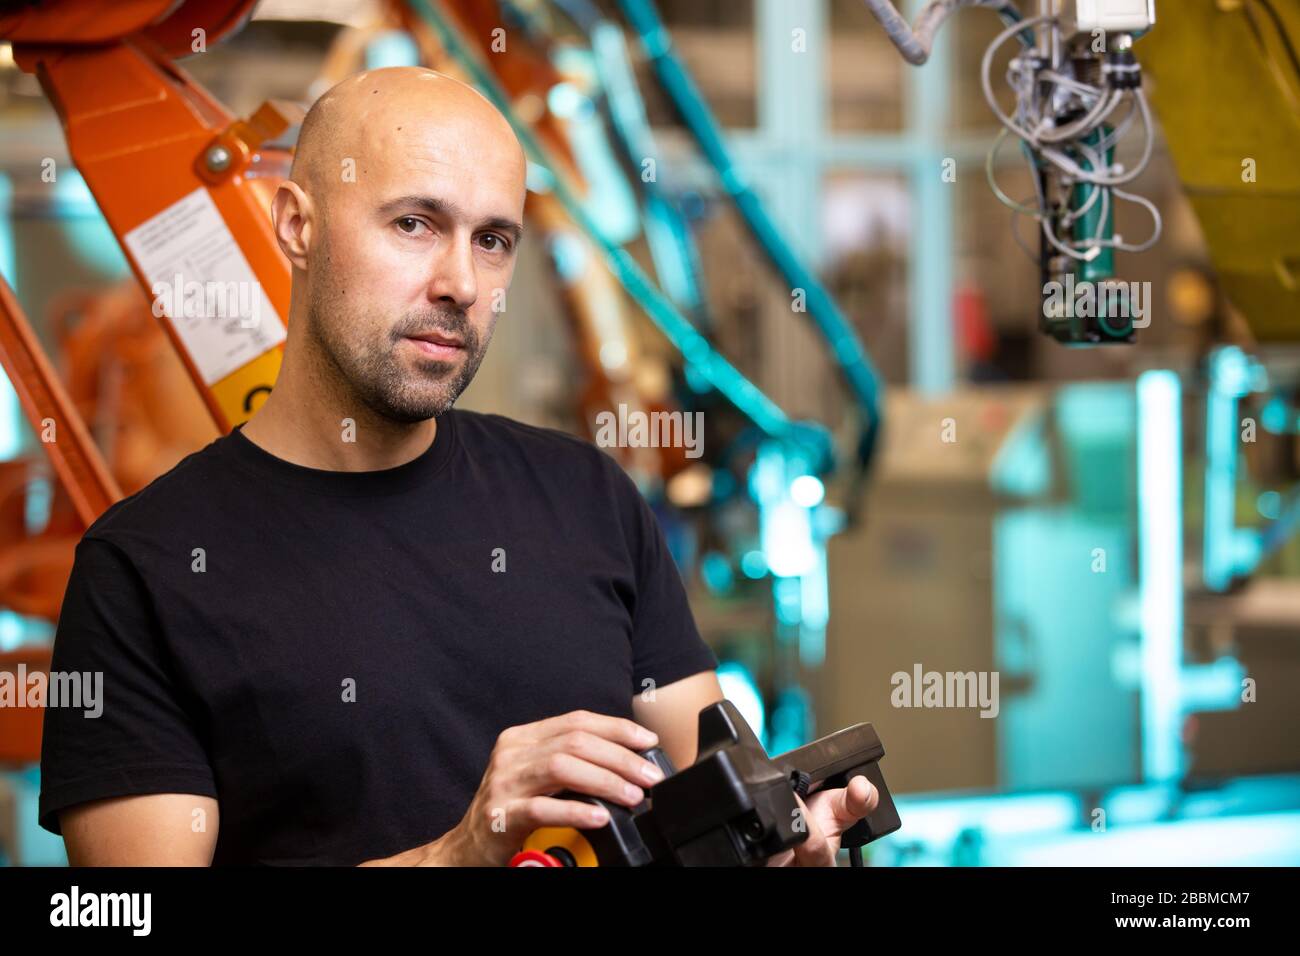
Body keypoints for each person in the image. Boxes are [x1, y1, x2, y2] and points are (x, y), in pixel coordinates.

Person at [38, 67, 876, 866]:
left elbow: (718, 799)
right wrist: (462, 851)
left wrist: (784, 842)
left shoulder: (587, 500)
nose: (462, 284)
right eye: (414, 224)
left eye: (493, 240)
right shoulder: (142, 572)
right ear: (298, 225)